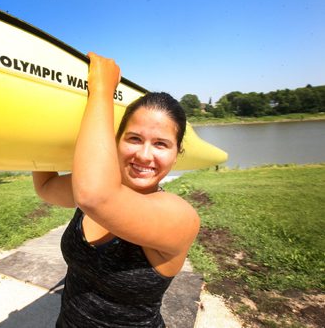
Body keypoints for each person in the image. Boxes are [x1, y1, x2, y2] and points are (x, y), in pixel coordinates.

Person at [32, 53, 200, 327]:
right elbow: (46, 186)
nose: (145, 155)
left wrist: (101, 89)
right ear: (116, 141)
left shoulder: (181, 217)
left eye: (161, 144)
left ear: (176, 153)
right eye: (134, 138)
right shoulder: (96, 185)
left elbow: (95, 197)